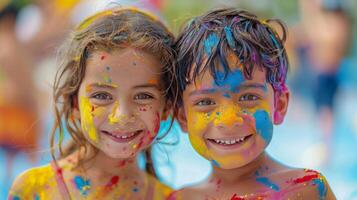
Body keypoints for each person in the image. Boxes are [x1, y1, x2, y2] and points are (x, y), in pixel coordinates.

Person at [9, 7, 177, 200]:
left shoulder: (167, 198)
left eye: (143, 96)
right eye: (102, 96)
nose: (121, 115)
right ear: (74, 104)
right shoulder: (33, 189)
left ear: (167, 107)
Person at [170, 8, 336, 199]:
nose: (228, 120)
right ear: (182, 116)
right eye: (205, 102)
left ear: (279, 106)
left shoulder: (309, 189)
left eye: (248, 97)